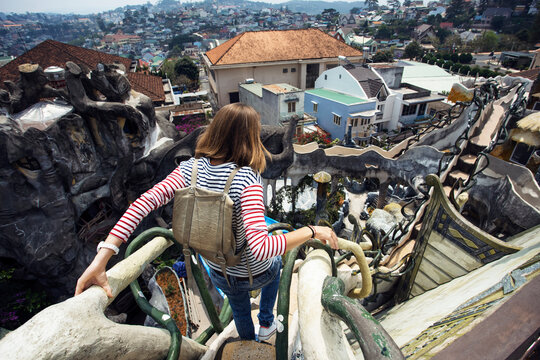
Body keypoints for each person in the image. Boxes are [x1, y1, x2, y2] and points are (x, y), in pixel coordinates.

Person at [75, 103, 339, 341]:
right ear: (250, 138)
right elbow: (261, 248)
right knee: (278, 261)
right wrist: (312, 230)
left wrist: (101, 259)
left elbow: (141, 204)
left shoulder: (189, 168)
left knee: (239, 312)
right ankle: (268, 323)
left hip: (220, 271)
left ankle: (247, 343)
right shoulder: (247, 179)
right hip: (254, 271)